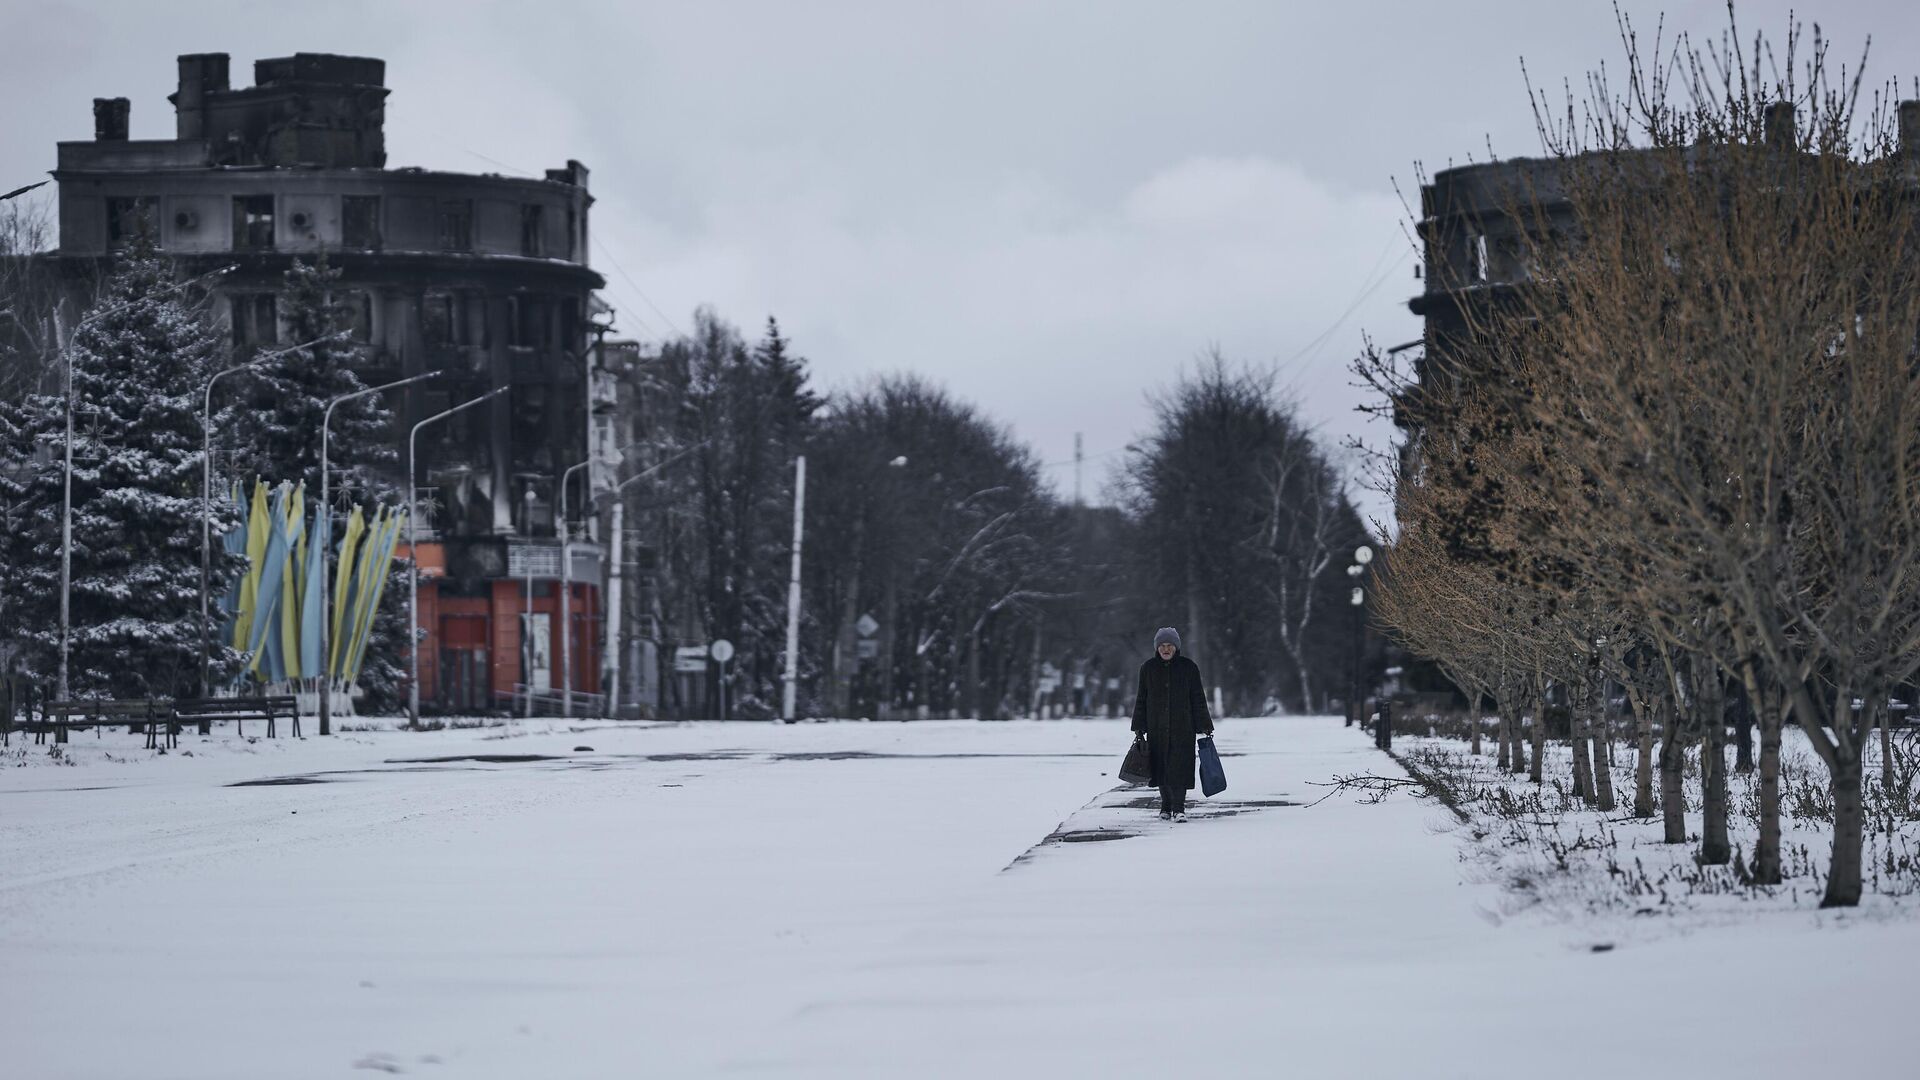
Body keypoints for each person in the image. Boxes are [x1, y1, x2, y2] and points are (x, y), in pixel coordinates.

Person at [1130, 626, 1214, 821]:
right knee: (1160, 768)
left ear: (1176, 647)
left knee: (1180, 767)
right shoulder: (1148, 669)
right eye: (1162, 646)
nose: (1166, 649)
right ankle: (1165, 807)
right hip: (1156, 727)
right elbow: (1141, 698)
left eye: (1169, 645)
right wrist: (1139, 726)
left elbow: (1198, 698)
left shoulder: (1189, 668)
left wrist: (1204, 723)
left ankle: (1179, 807)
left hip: (1183, 727)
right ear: (1157, 648)